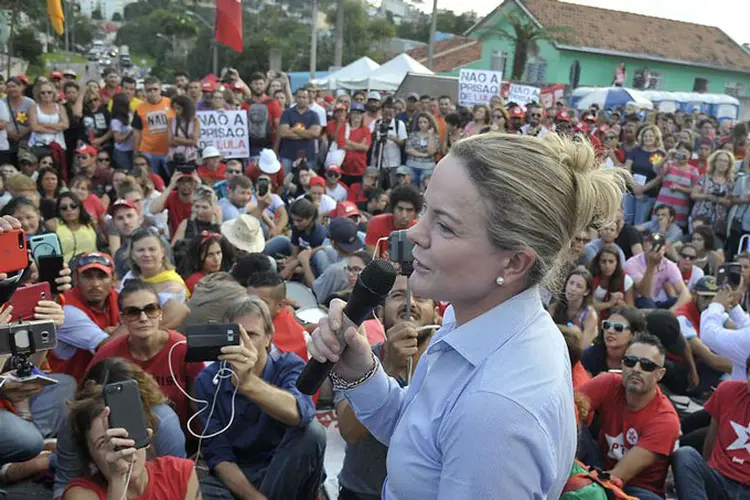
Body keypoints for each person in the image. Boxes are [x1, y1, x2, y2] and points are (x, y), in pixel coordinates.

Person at [309, 132, 628, 497]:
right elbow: (420, 436)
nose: (413, 233)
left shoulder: (496, 413)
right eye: (426, 210)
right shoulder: (475, 322)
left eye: (444, 225)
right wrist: (362, 373)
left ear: (513, 262)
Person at [196, 296, 327, 500]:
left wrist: (248, 383)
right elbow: (218, 455)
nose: (243, 343)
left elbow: (300, 414)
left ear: (268, 338)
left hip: (283, 467)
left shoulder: (289, 366)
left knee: (313, 432)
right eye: (235, 335)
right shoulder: (207, 380)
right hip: (238, 474)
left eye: (251, 334)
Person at [335, 274, 440, 500]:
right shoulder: (358, 358)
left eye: (421, 297)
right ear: (380, 313)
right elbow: (349, 432)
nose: (410, 303)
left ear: (438, 315)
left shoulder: (450, 367)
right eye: (398, 295)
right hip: (362, 492)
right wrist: (388, 367)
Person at [53, 357, 188, 497]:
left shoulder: (164, 420)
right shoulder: (74, 419)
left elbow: (174, 480)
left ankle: (51, 460)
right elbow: (64, 483)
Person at [88, 279, 203, 431]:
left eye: (151, 309)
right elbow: (87, 400)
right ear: (122, 319)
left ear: (160, 313)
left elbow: (201, 404)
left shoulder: (182, 348)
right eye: (133, 312)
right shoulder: (109, 353)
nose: (143, 318)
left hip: (180, 436)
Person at [579, 334, 681, 499]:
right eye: (630, 361)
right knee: (571, 426)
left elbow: (618, 476)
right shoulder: (607, 382)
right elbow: (567, 411)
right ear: (622, 365)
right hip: (600, 464)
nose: (636, 369)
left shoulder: (665, 420)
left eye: (646, 365)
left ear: (660, 374)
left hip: (637, 489)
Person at [671, 354, 750, 499]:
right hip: (720, 478)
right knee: (685, 454)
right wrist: (707, 469)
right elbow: (711, 438)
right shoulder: (728, 391)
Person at [48, 252, 122, 383]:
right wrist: (131, 326)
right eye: (87, 277)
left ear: (113, 279)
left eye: (102, 276)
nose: (95, 284)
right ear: (76, 279)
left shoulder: (118, 297)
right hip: (68, 389)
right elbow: (107, 348)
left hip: (103, 380)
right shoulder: (65, 307)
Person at [119, 228, 190, 327]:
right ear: (132, 255)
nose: (147, 254)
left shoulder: (173, 287)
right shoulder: (130, 276)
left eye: (152, 249)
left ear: (162, 252)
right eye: (140, 250)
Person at [246, 271, 309, 362]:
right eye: (249, 300)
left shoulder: (302, 337)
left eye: (262, 303)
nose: (252, 307)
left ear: (280, 305)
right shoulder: (237, 317)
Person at [623, 232, 691, 310]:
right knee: (646, 301)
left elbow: (685, 293)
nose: (656, 247)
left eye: (660, 244)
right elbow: (644, 293)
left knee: (675, 301)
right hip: (637, 303)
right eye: (652, 243)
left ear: (664, 248)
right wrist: (651, 266)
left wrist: (672, 311)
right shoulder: (633, 263)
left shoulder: (668, 264)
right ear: (645, 245)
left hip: (656, 302)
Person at [132, 77, 173, 180]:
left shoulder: (171, 103)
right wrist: (136, 152)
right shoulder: (140, 108)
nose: (153, 92)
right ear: (145, 92)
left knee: (170, 179)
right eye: (149, 90)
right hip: (148, 152)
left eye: (155, 89)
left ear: (160, 90)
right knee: (151, 180)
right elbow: (136, 132)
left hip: (168, 151)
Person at [548, 267, 599, 347]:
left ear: (586, 291)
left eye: (579, 286)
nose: (572, 289)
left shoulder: (590, 315)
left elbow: (584, 347)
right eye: (571, 283)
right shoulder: (554, 307)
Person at [278, 88, 321, 175]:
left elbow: (315, 133)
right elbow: (283, 133)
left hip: (307, 156)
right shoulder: (286, 113)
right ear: (295, 98)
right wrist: (306, 134)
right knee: (286, 181)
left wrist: (294, 130)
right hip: (287, 155)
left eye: (304, 97)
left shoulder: (314, 115)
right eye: (299, 97)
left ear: (309, 99)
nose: (301, 99)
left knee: (305, 182)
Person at [50, 192, 98, 264]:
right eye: (64, 208)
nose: (69, 209)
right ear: (59, 210)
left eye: (73, 206)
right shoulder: (52, 225)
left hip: (90, 267)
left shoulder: (90, 224)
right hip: (65, 270)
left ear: (79, 207)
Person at [590, 244, 635, 318]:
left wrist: (619, 302)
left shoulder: (626, 280)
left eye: (611, 262)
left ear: (617, 263)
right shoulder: (591, 277)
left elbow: (631, 311)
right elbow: (589, 306)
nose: (607, 266)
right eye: (603, 261)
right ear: (598, 263)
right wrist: (610, 303)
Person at [167, 94, 200, 169]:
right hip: (173, 157)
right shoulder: (170, 121)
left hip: (190, 157)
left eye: (178, 109)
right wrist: (188, 141)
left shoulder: (195, 121)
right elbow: (169, 141)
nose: (176, 111)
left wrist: (176, 139)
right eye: (174, 108)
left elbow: (195, 141)